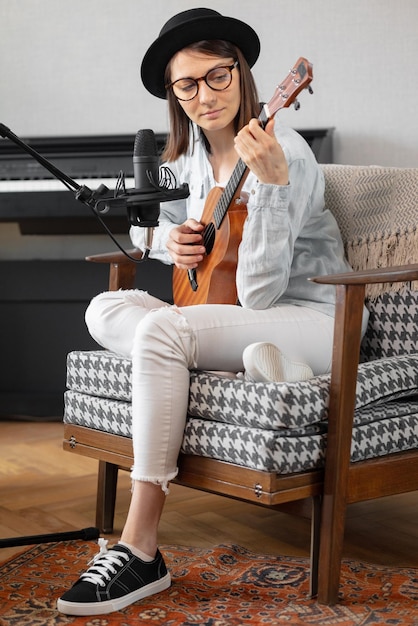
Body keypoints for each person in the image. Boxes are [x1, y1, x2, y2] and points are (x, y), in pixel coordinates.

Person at [57, 7, 367, 616]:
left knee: (164, 331)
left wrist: (272, 192)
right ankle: (244, 362)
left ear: (243, 73)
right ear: (175, 95)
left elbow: (258, 295)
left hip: (311, 316)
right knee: (103, 308)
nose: (205, 96)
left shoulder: (289, 154)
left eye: (218, 76)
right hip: (234, 319)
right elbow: (151, 233)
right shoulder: (188, 160)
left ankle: (141, 545)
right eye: (187, 85)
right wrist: (166, 242)